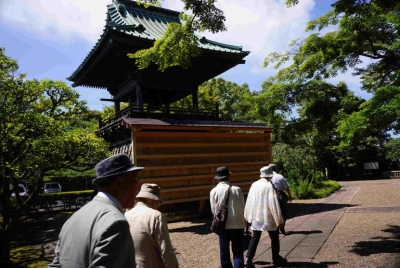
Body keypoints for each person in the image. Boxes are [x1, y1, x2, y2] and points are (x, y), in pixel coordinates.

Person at [48, 153, 144, 268]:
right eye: (135, 179)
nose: (138, 187)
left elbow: (56, 265)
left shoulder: (73, 218)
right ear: (120, 182)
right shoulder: (116, 223)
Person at [125, 183, 179, 268]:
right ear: (153, 201)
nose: (158, 206)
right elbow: (166, 250)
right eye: (159, 203)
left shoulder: (126, 215)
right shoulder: (156, 216)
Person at [244, 166, 287, 267]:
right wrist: (279, 220)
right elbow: (273, 204)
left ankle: (248, 258)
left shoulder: (254, 185)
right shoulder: (269, 186)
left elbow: (249, 201)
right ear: (270, 176)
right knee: (274, 237)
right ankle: (275, 258)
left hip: (256, 216)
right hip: (268, 217)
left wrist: (247, 216)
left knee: (255, 236)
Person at [210, 166, 246, 268]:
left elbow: (214, 210)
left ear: (217, 178)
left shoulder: (213, 191)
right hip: (238, 224)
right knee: (238, 253)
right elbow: (243, 206)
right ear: (228, 177)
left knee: (224, 253)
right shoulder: (237, 189)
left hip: (222, 225)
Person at [268, 163, 293, 235]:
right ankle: (282, 226)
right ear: (276, 169)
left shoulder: (267, 177)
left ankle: (275, 228)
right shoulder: (279, 176)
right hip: (279, 196)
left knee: (272, 212)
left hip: (269, 196)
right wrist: (290, 195)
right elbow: (286, 187)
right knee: (283, 212)